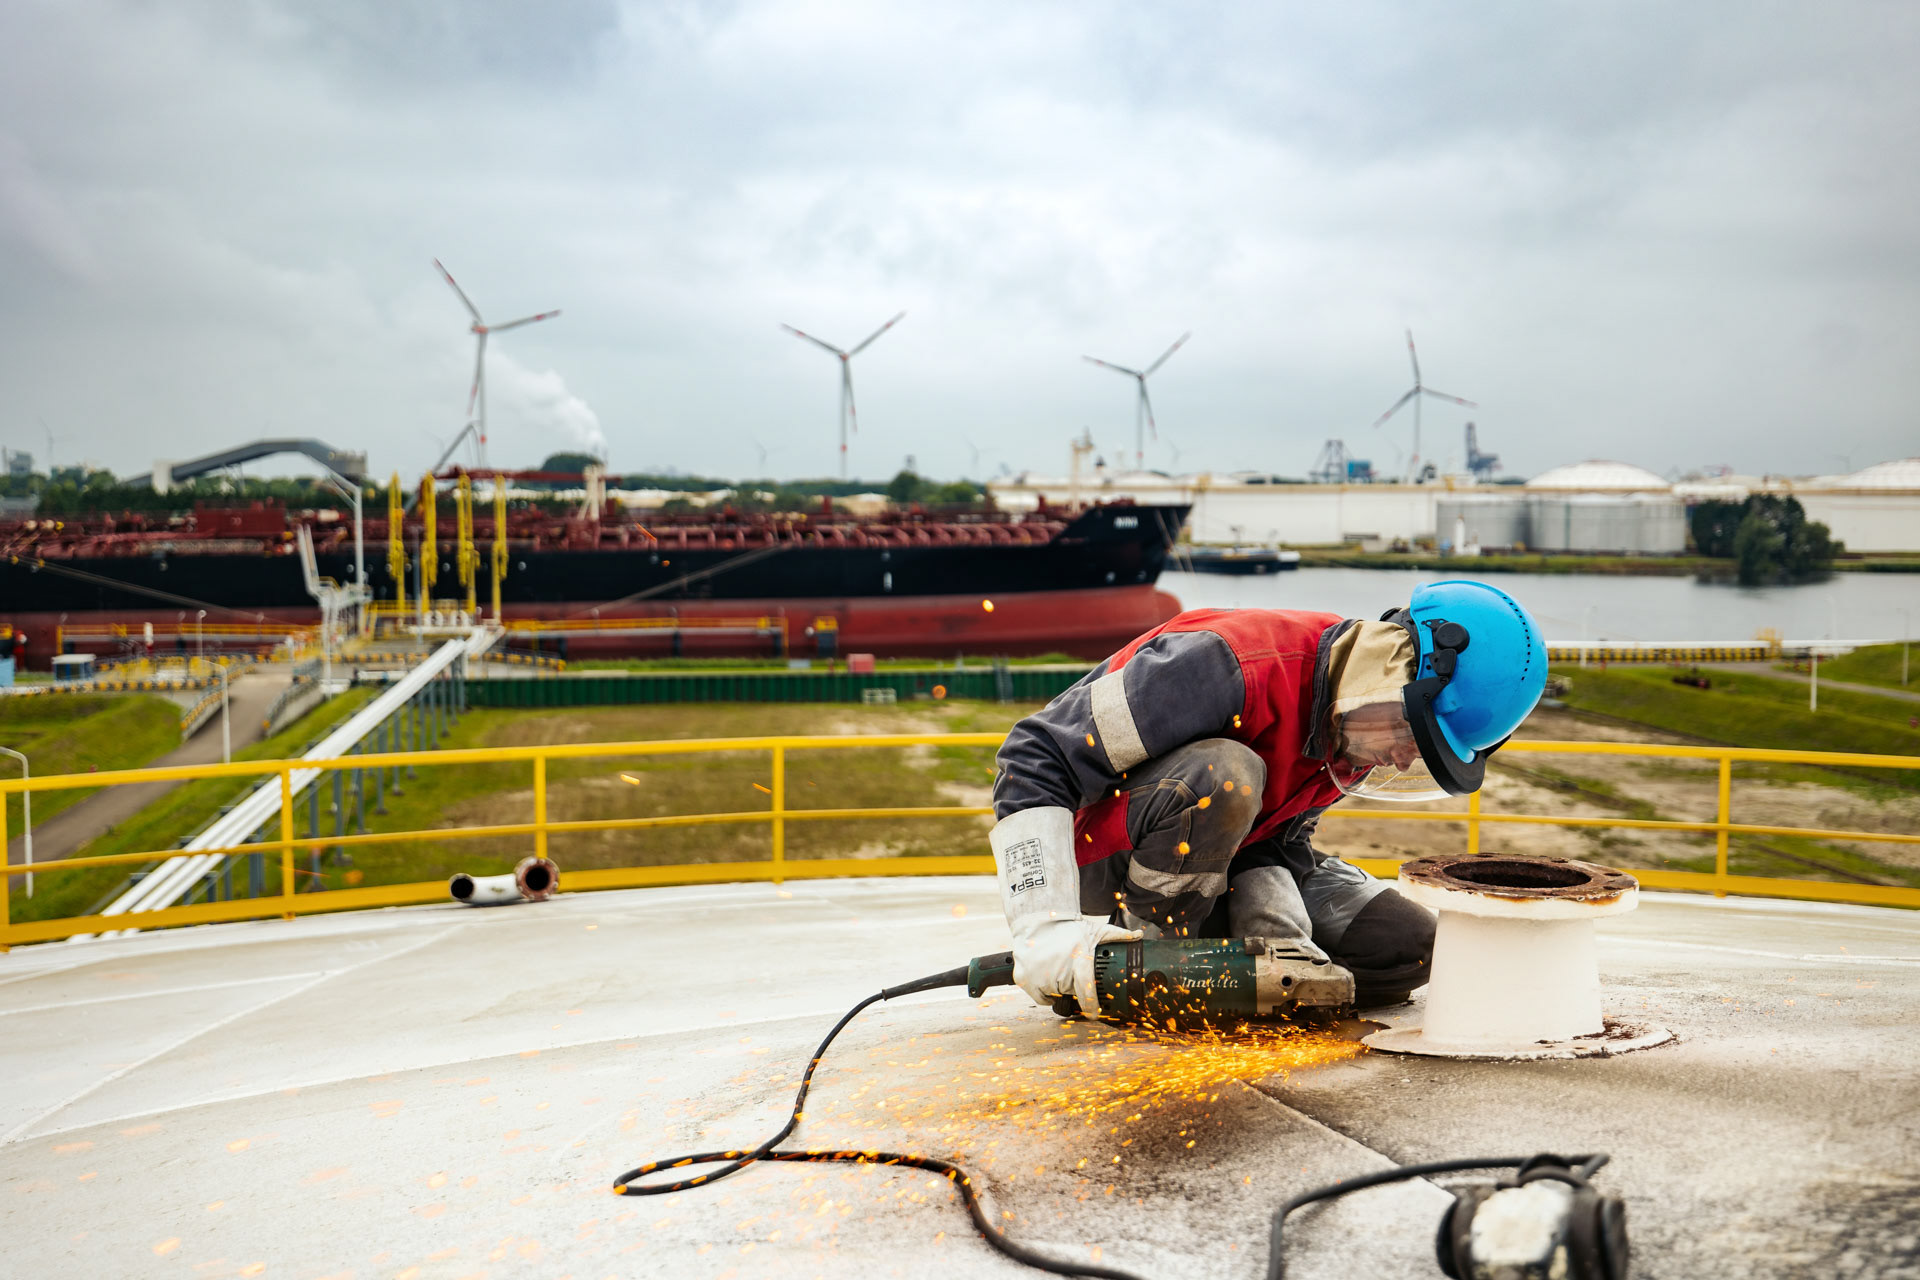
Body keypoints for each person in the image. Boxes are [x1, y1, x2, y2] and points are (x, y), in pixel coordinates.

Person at [988, 579, 1547, 1015]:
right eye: (1411, 734)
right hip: (1100, 857)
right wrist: (1044, 928)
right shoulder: (1228, 665)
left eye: (1422, 752)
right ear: (1389, 667)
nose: (1403, 759)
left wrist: (1277, 929)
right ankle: (1143, 963)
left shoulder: (1356, 726)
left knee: (1413, 944)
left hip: (1216, 856)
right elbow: (1036, 755)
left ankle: (1237, 989)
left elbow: (1274, 838)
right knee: (1227, 774)